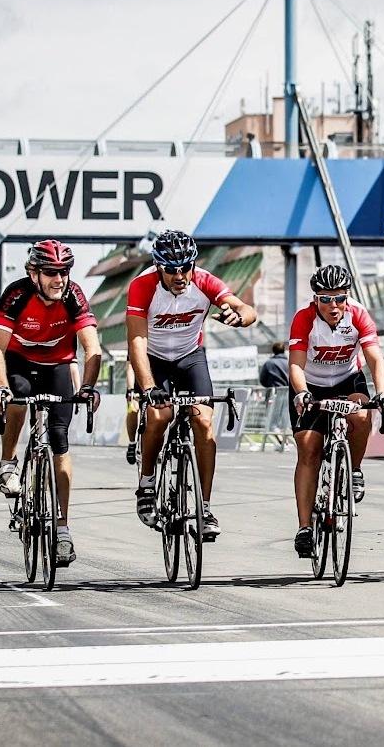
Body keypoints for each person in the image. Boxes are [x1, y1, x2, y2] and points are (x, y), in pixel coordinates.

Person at [125, 230, 257, 540]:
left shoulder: (205, 280)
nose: (179, 275)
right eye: (171, 269)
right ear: (158, 266)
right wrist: (147, 388)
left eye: (185, 267)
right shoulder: (142, 286)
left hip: (189, 357)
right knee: (159, 416)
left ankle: (205, 507)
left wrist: (237, 317)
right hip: (154, 358)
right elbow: (136, 341)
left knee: (204, 421)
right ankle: (147, 483)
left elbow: (247, 310)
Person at [0, 239, 102, 566]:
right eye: (51, 272)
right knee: (18, 400)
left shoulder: (73, 295)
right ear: (32, 273)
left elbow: (92, 348)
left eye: (64, 272)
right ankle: (8, 462)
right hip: (20, 360)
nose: (59, 279)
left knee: (60, 439)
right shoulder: (16, 294)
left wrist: (89, 387)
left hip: (57, 365)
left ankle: (63, 529)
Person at [286, 264, 384, 557]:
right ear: (315, 300)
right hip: (310, 384)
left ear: (347, 297)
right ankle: (305, 527)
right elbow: (295, 364)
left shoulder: (358, 314)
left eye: (339, 298)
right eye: (325, 299)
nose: (333, 305)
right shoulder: (304, 319)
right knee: (308, 450)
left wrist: (382, 393)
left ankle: (354, 469)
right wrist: (302, 393)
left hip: (348, 380)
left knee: (361, 414)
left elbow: (375, 359)